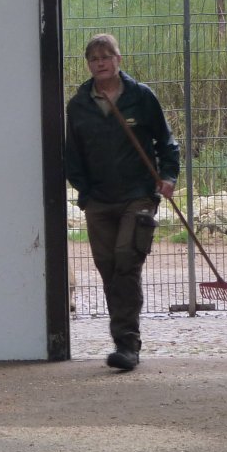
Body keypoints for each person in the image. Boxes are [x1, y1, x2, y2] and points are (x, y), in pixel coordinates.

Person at [64, 33, 180, 371]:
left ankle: (127, 344)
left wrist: (168, 177)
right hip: (98, 201)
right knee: (109, 269)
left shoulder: (142, 98)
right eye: (94, 59)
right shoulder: (79, 104)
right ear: (89, 65)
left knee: (126, 261)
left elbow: (166, 142)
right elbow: (73, 155)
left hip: (138, 196)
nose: (100, 63)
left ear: (119, 59)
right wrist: (84, 194)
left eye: (106, 56)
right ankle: (123, 340)